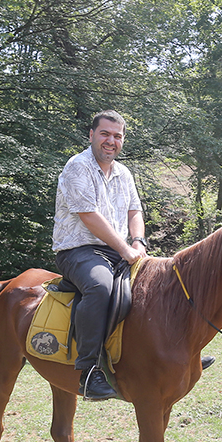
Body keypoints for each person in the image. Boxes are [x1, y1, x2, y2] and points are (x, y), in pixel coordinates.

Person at [52, 111, 148, 401]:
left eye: (117, 136)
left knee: (163, 280)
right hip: (78, 250)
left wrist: (139, 241)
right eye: (105, 134)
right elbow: (89, 216)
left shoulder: (124, 173)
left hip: (121, 248)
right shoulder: (77, 167)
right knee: (100, 287)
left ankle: (177, 351)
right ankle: (89, 372)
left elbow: (135, 211)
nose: (111, 140)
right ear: (91, 135)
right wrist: (125, 249)